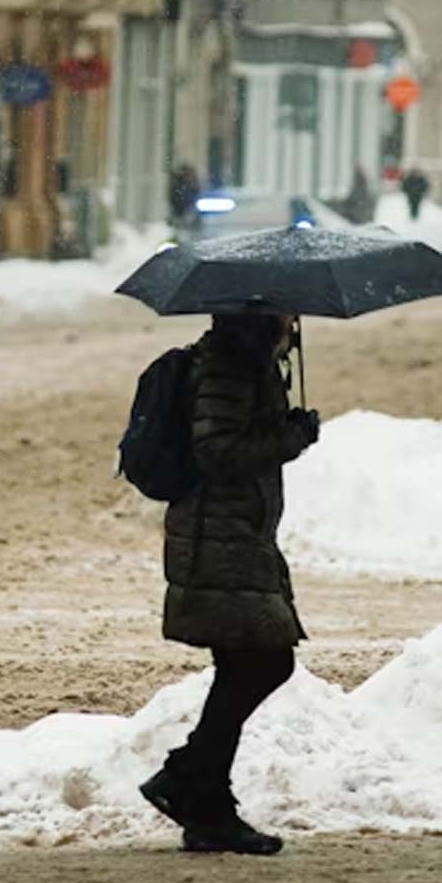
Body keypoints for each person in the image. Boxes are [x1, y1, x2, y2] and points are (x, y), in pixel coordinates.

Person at [139, 313, 320, 855]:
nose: (293, 319)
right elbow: (216, 451)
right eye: (285, 312)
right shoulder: (229, 366)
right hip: (217, 533)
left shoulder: (247, 360)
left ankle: (206, 806)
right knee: (265, 661)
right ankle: (188, 778)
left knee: (245, 665)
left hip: (234, 533)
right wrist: (289, 436)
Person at [168, 163, 200, 227]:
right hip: (182, 207)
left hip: (184, 207)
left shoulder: (189, 183)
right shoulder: (183, 183)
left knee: (183, 222)